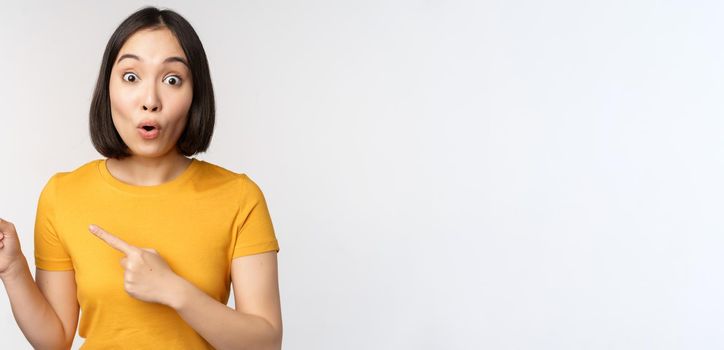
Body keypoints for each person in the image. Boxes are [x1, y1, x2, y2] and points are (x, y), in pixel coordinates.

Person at [0, 6, 282, 349]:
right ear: (108, 89)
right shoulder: (63, 195)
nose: (150, 100)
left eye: (172, 80)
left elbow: (265, 344)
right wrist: (13, 269)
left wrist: (174, 290)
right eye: (131, 77)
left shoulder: (239, 196)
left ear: (195, 95)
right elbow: (55, 340)